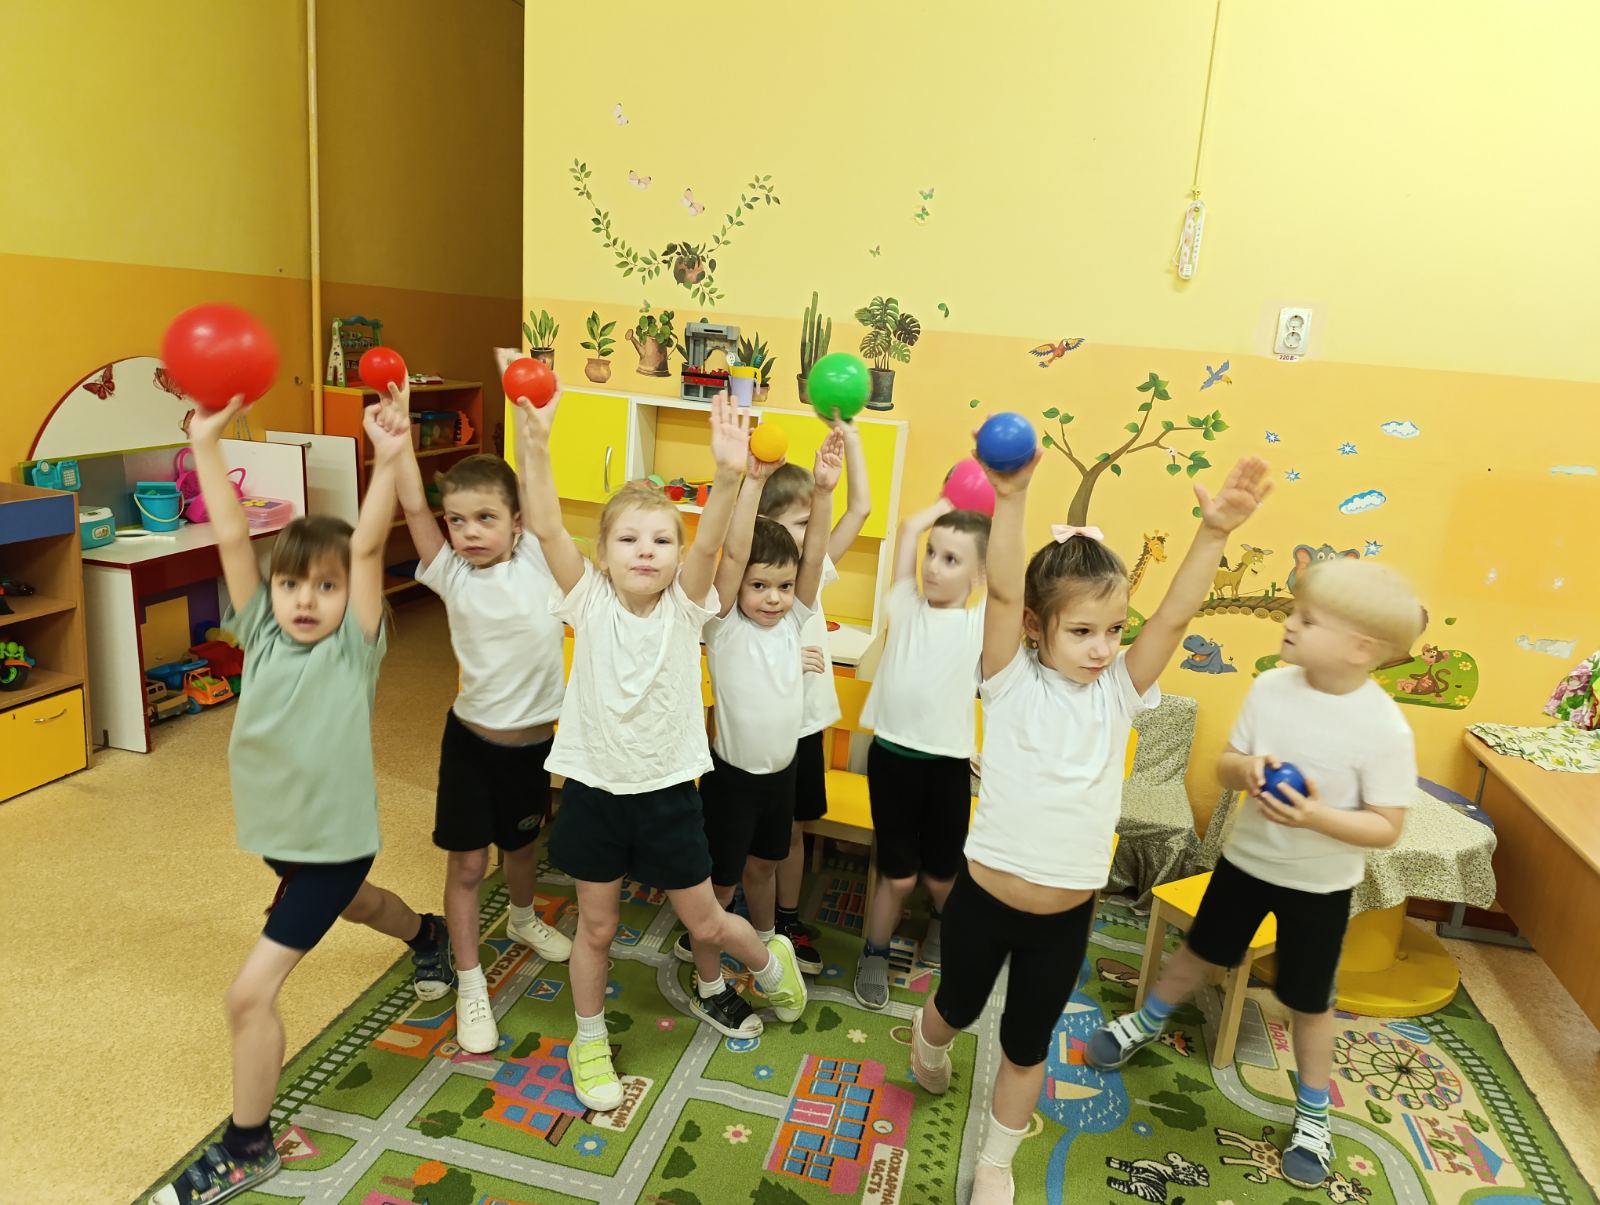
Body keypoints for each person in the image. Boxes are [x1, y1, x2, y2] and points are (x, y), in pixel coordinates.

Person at [910, 449, 1271, 1205]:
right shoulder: (1008, 679)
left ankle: (996, 1163)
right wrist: (1013, 498)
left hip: (1065, 918)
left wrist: (1213, 534)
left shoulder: (1118, 691)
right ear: (1036, 627)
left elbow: (1173, 617)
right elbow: (1002, 590)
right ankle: (928, 1037)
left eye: (1113, 629)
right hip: (984, 902)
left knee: (1027, 1043)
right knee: (957, 1008)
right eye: (1082, 631)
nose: (1103, 647)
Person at [149, 390, 450, 1205]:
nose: (306, 599)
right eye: (291, 584)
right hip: (284, 840)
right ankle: (427, 933)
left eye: (325, 585)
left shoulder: (353, 648)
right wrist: (207, 443)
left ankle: (247, 1146)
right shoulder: (258, 631)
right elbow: (231, 536)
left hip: (330, 844)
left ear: (350, 597)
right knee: (363, 906)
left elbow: (368, 547)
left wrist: (388, 458)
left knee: (249, 994)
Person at [514, 384, 807, 1111]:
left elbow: (717, 544)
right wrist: (536, 443)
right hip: (594, 792)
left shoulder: (686, 607)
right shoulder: (588, 600)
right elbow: (545, 525)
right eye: (628, 539)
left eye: (661, 540)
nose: (646, 550)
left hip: (669, 793)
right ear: (603, 554)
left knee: (705, 920)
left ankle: (768, 961)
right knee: (598, 927)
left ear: (677, 556)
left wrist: (730, 475)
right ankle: (588, 1039)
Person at [1087, 556, 1422, 1191]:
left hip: (1320, 888)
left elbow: (1386, 826)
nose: (1290, 623)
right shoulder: (1271, 689)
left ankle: (1314, 1114)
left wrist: (1315, 816)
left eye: (1309, 619)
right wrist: (1247, 771)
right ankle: (1147, 1020)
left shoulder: (1385, 728)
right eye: (1296, 612)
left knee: (1309, 1001)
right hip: (1245, 864)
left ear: (1360, 648)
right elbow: (1227, 764)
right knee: (1198, 951)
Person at [391, 373, 572, 1056]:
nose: (468, 531)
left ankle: (522, 917)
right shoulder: (450, 572)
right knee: (467, 866)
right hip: (470, 744)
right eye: (458, 520)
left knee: (521, 847)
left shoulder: (540, 561)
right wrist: (397, 438)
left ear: (517, 523)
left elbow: (541, 501)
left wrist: (536, 436)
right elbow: (414, 504)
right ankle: (471, 983)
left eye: (486, 518)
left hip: (532, 747)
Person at [672, 432, 841, 1035]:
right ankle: (708, 980)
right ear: (738, 584)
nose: (774, 599)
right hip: (732, 782)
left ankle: (769, 953)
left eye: (784, 588)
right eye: (759, 586)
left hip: (780, 776)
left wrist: (825, 492)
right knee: (719, 888)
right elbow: (735, 551)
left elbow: (813, 557)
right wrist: (753, 483)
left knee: (765, 868)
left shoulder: (794, 621)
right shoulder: (723, 626)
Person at [853, 497, 990, 1009]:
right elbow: (909, 526)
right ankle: (874, 953)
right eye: (932, 553)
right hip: (891, 762)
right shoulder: (906, 606)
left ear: (979, 574)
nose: (932, 566)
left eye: (951, 559)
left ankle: (940, 925)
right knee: (899, 875)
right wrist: (946, 502)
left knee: (942, 875)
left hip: (947, 768)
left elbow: (1010, 584)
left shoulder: (981, 625)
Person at [756, 419, 873, 973]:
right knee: (758, 834)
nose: (812, 533)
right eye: (801, 523)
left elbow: (860, 510)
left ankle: (786, 919)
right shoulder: (753, 587)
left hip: (804, 728)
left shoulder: (814, 572)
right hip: (762, 731)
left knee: (795, 829)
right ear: (766, 526)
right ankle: (741, 917)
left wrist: (851, 441)